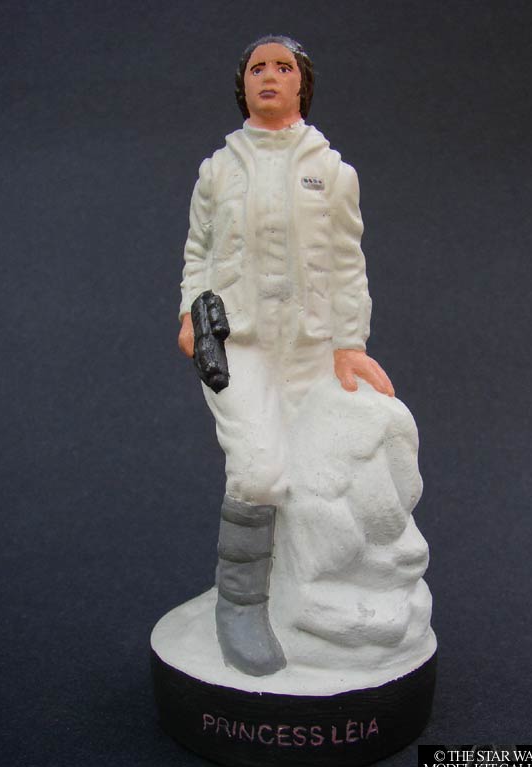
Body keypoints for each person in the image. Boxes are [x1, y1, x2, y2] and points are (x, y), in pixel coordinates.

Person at [178, 35, 394, 677]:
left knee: (323, 466)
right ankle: (241, 605)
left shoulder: (333, 172)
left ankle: (313, 593)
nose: (268, 76)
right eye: (257, 68)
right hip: (239, 342)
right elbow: (198, 249)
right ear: (242, 83)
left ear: (303, 83)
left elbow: (349, 262)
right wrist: (191, 312)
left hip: (309, 345)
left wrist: (350, 343)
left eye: (282, 67)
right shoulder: (217, 171)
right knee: (258, 470)